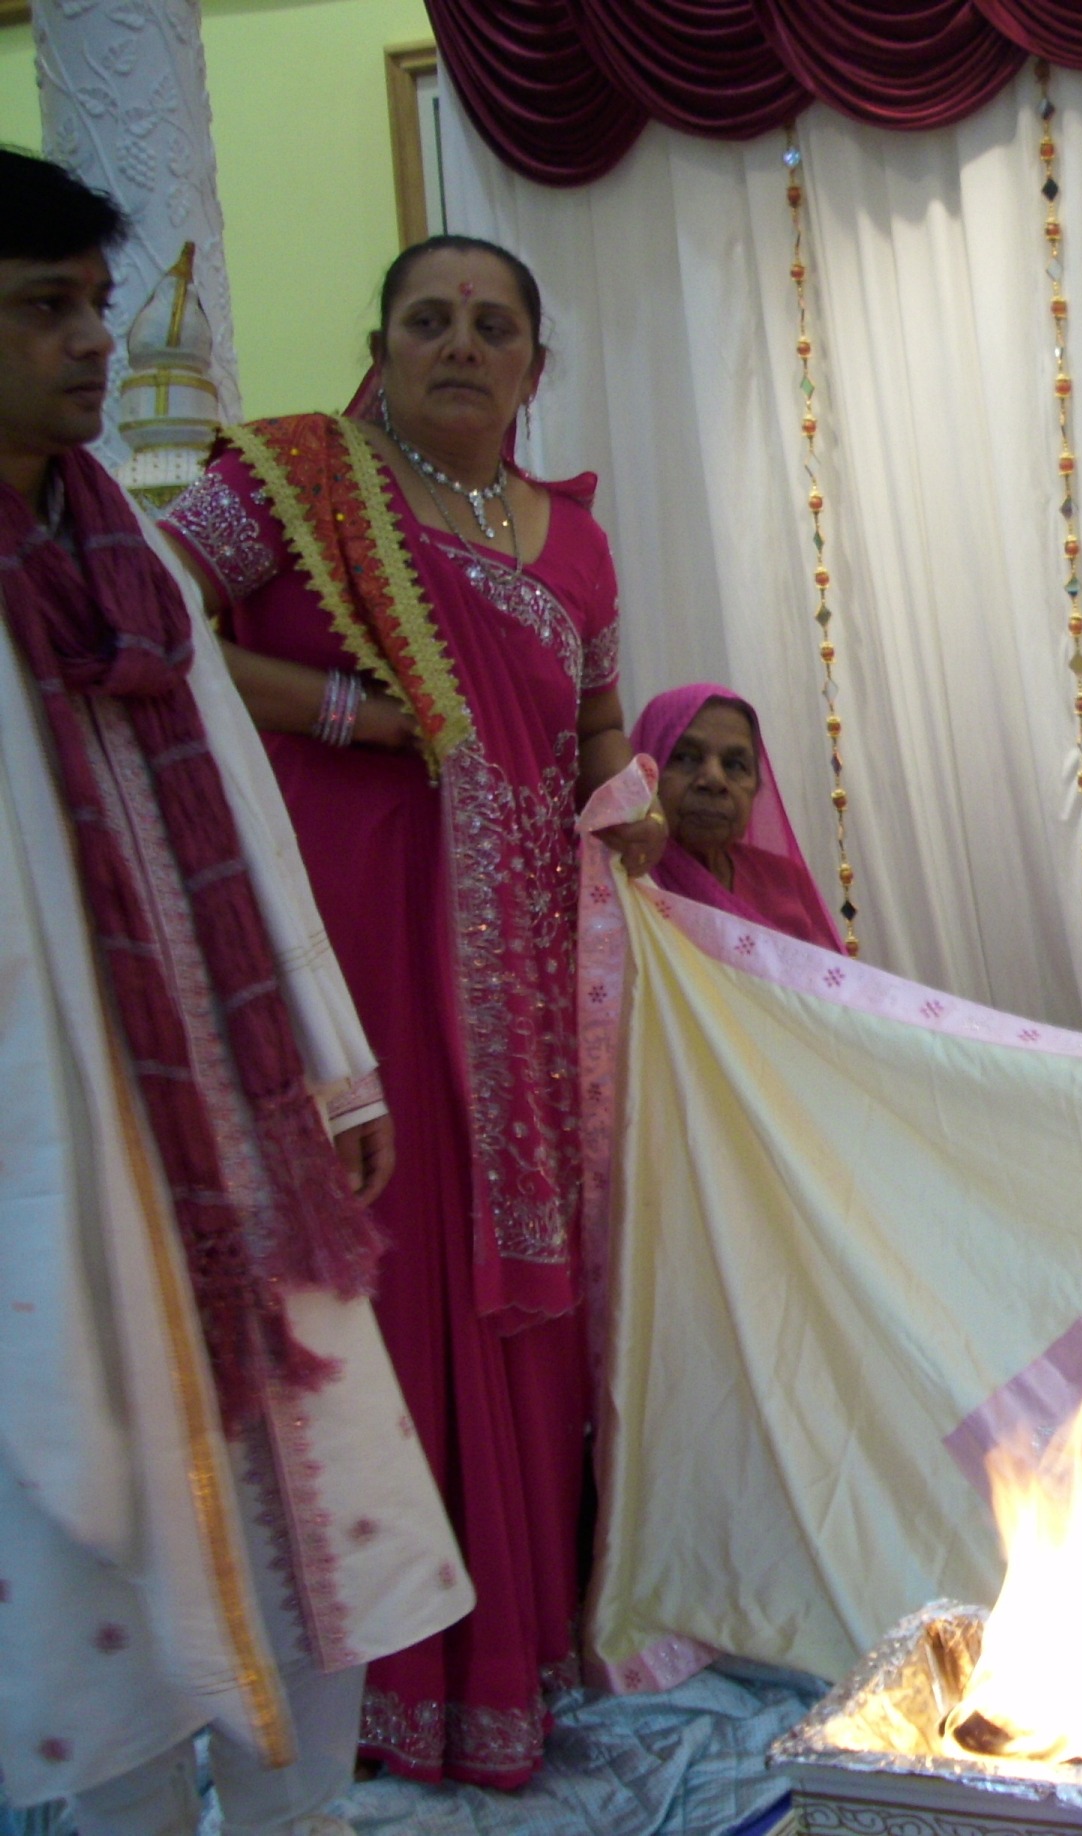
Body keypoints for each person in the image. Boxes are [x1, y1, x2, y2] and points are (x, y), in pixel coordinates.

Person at [0, 151, 470, 1834]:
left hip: (239, 1109)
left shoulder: (119, 541)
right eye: (43, 309)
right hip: (56, 1147)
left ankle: (303, 1817)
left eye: (92, 308)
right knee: (99, 1550)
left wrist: (330, 1065)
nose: (91, 347)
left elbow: (242, 810)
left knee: (307, 1521)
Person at [159, 235, 665, 1788]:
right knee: (378, 1267)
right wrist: (338, 712)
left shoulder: (570, 541)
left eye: (493, 325)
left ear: (534, 365)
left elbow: (587, 728)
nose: (462, 343)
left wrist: (636, 803)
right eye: (429, 319)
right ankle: (362, 1686)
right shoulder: (301, 480)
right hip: (354, 938)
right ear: (378, 342)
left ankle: (499, 1661)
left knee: (516, 1280)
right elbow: (150, 609)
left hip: (517, 975)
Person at [630, 683, 843, 948]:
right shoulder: (620, 885)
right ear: (643, 774)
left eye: (734, 765)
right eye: (685, 758)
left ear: (756, 788)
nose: (714, 780)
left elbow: (834, 986)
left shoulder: (784, 882)